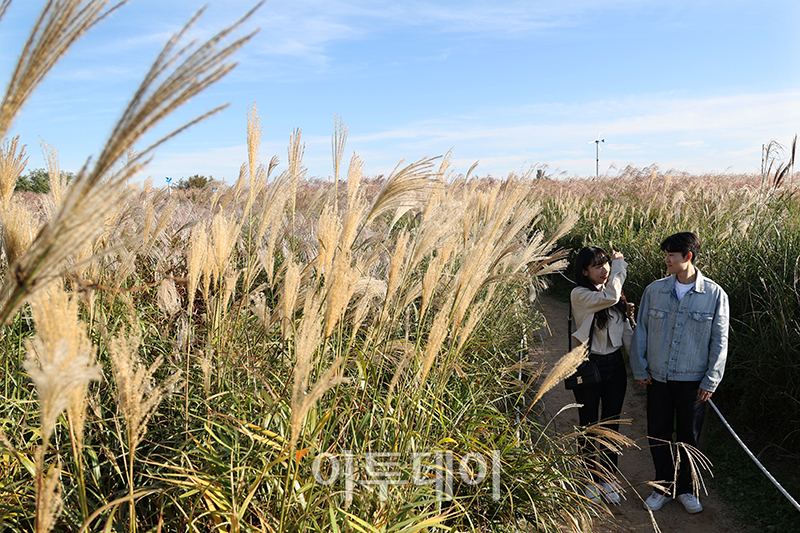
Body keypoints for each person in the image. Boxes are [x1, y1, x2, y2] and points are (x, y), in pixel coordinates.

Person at [630, 232, 729, 514]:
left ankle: (687, 489)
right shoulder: (654, 290)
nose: (666, 261)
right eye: (666, 255)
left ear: (688, 257)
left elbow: (720, 341)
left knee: (690, 437)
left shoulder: (714, 294)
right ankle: (662, 487)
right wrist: (640, 366)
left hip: (694, 381)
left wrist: (711, 379)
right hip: (658, 377)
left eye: (671, 256)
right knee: (658, 433)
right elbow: (642, 331)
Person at [571, 245, 634, 505]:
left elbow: (627, 333)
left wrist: (639, 367)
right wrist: (621, 266)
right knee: (589, 427)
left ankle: (609, 480)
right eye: (597, 265)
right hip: (589, 364)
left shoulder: (614, 295)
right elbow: (610, 296)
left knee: (611, 426)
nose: (604, 269)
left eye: (607, 263)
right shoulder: (580, 295)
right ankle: (589, 480)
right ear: (584, 271)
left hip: (615, 365)